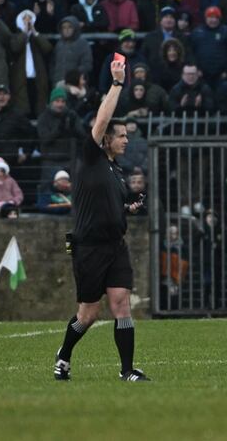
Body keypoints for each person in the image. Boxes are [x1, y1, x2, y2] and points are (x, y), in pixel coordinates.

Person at [53, 58, 150, 383]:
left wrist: (127, 208)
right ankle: (64, 356)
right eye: (120, 135)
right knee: (88, 314)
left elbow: (111, 205)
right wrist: (118, 83)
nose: (126, 140)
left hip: (115, 246)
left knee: (122, 304)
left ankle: (127, 370)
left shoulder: (115, 169)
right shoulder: (91, 156)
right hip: (89, 248)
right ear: (105, 138)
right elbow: (103, 117)